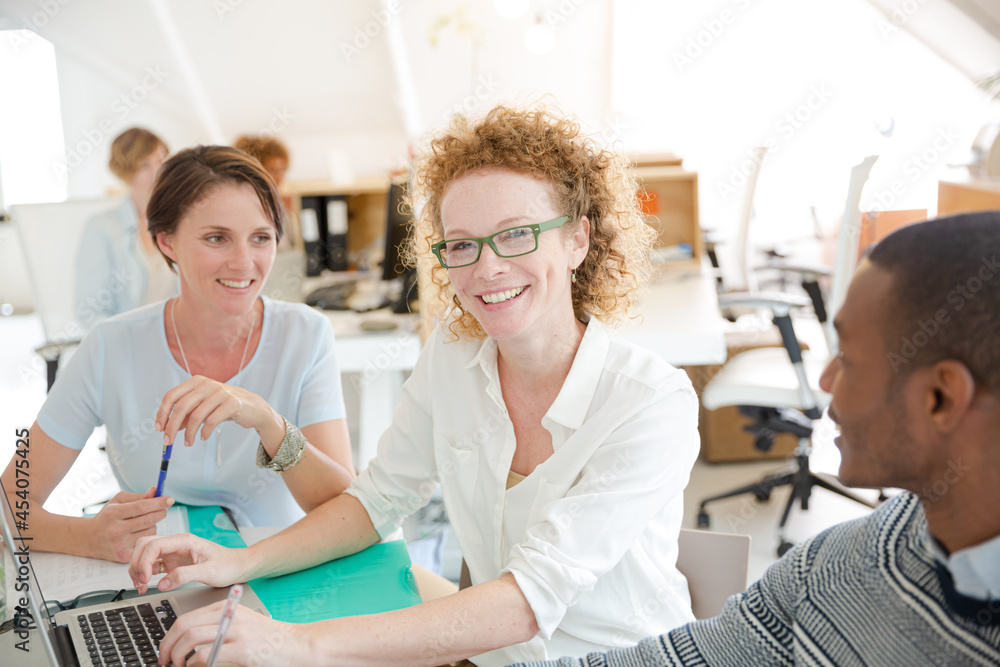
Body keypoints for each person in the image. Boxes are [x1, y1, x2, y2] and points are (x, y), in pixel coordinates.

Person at [128, 105, 701, 666]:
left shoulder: (650, 402)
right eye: (461, 244)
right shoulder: (452, 359)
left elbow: (528, 602)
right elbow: (377, 502)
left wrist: (297, 645)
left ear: (577, 239)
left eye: (516, 235)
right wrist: (238, 562)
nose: (487, 267)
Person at [513, 211, 1000, 667]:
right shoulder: (841, 561)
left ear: (940, 397)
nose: (825, 380)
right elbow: (687, 658)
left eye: (847, 358)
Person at [1, 146, 356, 564]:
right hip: (158, 582)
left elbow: (343, 509)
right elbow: (10, 505)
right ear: (166, 240)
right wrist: (86, 537)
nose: (244, 262)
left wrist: (266, 420)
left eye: (261, 238)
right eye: (216, 238)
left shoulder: (305, 334)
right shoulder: (109, 347)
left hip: (273, 573)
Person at [75, 127, 177, 328]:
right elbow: (89, 310)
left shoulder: (179, 221)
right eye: (144, 165)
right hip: (127, 342)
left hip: (178, 340)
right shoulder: (101, 227)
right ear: (127, 173)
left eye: (160, 161)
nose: (157, 172)